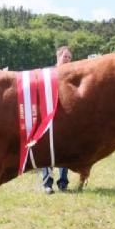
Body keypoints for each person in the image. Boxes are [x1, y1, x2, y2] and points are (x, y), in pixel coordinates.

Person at [41, 46, 72, 194]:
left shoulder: (73, 74)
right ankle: (47, 183)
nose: (67, 59)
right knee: (46, 149)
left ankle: (63, 182)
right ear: (57, 57)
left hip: (66, 117)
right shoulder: (48, 74)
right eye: (65, 56)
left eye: (69, 57)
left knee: (65, 150)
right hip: (48, 115)